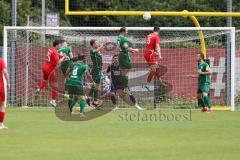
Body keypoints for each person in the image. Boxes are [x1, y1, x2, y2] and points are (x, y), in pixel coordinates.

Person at [36, 40, 65, 108]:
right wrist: (63, 57)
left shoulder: (51, 49)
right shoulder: (55, 52)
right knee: (55, 85)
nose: (61, 46)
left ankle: (39, 89)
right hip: (50, 70)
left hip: (45, 68)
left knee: (45, 81)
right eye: (60, 45)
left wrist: (61, 55)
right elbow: (58, 63)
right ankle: (53, 100)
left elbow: (55, 54)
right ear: (57, 45)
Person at [117, 27, 139, 94]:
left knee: (123, 72)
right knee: (126, 71)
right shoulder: (124, 39)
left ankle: (122, 87)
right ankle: (125, 87)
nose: (127, 32)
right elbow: (126, 47)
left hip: (120, 54)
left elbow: (123, 47)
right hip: (124, 55)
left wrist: (130, 50)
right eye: (126, 31)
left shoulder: (119, 37)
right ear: (123, 31)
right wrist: (134, 50)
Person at [88, 39, 109, 106]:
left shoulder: (97, 50)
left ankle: (91, 99)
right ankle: (94, 100)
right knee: (96, 85)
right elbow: (96, 50)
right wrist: (102, 44)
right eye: (96, 43)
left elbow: (100, 45)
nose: (98, 44)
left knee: (96, 85)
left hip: (99, 70)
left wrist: (105, 42)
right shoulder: (92, 50)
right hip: (95, 70)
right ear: (93, 44)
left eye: (98, 43)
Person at [143, 26, 162, 90]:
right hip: (150, 54)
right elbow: (157, 46)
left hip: (147, 53)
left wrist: (154, 53)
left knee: (157, 67)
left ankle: (159, 80)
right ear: (158, 31)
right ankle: (147, 84)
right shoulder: (156, 36)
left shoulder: (149, 35)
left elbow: (148, 45)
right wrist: (159, 55)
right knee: (153, 69)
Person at [0, 58, 10, 130]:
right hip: (0, 86)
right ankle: (1, 124)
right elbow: (5, 72)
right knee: (2, 105)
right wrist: (8, 82)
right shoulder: (1, 60)